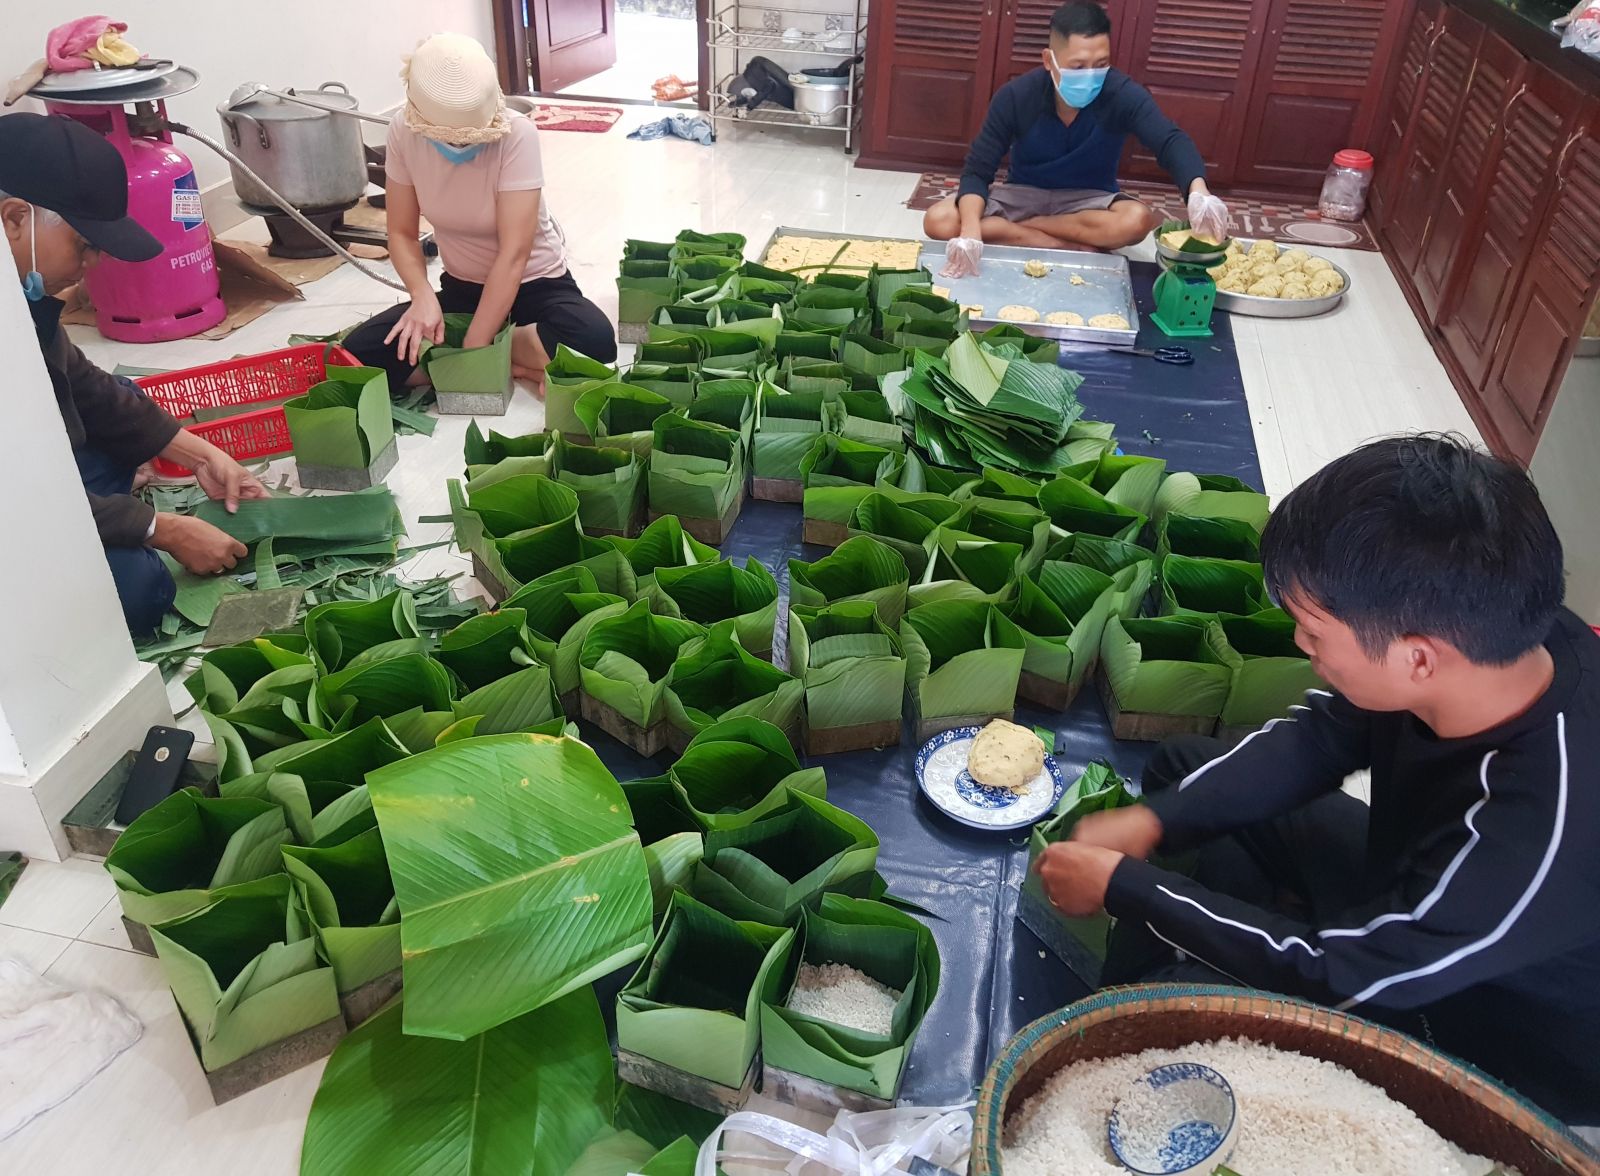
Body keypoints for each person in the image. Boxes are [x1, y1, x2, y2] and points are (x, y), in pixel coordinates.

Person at [1034, 434, 1600, 1124]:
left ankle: (1208, 963)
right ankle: (1241, 937)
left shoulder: (1536, 835)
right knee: (1182, 774)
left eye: (1312, 629)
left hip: (1459, 1020)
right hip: (1406, 896)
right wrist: (1153, 823)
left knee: (1188, 992)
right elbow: (1323, 735)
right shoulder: (1516, 638)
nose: (1300, 645)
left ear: (1418, 659)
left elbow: (1346, 978)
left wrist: (1131, 887)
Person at [0, 112, 267, 636]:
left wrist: (200, 454)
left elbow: (84, 385)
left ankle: (105, 509)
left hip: (26, 467)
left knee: (118, 408)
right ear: (14, 219)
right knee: (137, 592)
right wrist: (160, 529)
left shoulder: (21, 297)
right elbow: (17, 492)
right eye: (84, 244)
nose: (92, 263)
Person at [343, 33, 616, 396]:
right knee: (362, 351)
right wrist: (422, 295)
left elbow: (514, 253)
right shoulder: (403, 132)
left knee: (593, 340)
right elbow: (402, 233)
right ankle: (522, 364)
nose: (462, 145)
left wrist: (476, 347)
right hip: (465, 289)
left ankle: (481, 356)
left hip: (535, 285)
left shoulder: (518, 134)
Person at [925, 1, 1230, 273]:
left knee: (1137, 220)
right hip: (1023, 195)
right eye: (1078, 66)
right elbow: (978, 170)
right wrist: (969, 232)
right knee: (938, 220)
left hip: (1089, 201)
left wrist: (1198, 190)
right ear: (1049, 61)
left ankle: (1017, 231)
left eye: (1100, 65)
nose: (1091, 75)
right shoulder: (1016, 96)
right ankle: (1057, 244)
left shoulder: (1121, 93)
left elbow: (1169, 139)